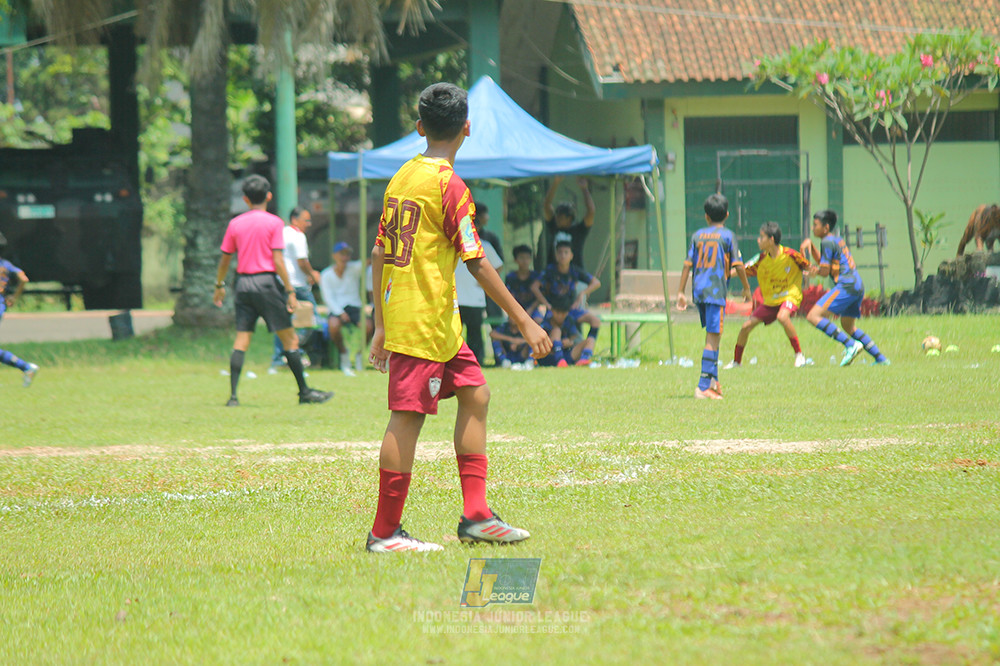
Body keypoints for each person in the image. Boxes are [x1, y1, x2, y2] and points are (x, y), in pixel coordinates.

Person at [366, 82, 551, 553]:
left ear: (418, 127)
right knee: (407, 418)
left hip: (433, 321)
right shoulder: (450, 186)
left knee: (476, 393)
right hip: (422, 322)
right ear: (467, 128)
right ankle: (384, 534)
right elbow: (478, 261)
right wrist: (525, 321)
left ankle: (476, 515)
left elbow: (379, 253)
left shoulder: (402, 176)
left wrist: (380, 322)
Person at [213, 175, 333, 406]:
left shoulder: (235, 224)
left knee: (241, 340)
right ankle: (304, 392)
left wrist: (219, 286)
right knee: (289, 340)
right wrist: (289, 290)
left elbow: (225, 260)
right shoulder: (275, 223)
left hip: (243, 284)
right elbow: (278, 260)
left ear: (245, 199)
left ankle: (233, 397)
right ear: (269, 196)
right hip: (267, 284)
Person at [675, 193, 751, 399]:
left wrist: (681, 292)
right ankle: (702, 386)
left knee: (714, 335)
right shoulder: (727, 236)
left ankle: (713, 381)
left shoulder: (697, 235)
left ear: (706, 216)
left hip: (699, 291)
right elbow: (738, 265)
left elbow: (687, 264)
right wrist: (746, 289)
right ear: (727, 215)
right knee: (713, 336)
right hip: (715, 292)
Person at [801, 209, 890, 366]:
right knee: (849, 326)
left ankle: (851, 345)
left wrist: (812, 272)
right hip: (857, 285)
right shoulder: (835, 240)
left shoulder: (827, 242)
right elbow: (824, 261)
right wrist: (811, 246)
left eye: (815, 225)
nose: (813, 228)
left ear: (826, 227)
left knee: (813, 316)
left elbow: (824, 271)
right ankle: (881, 359)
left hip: (846, 285)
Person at [724, 222, 811, 369]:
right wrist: (725, 275)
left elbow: (808, 266)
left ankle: (799, 356)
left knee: (783, 317)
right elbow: (743, 270)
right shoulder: (761, 259)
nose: (758, 240)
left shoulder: (790, 255)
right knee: (746, 327)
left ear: (771, 240)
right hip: (771, 301)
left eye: (761, 237)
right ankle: (736, 362)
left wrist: (812, 270)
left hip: (790, 296)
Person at [531, 239, 602, 365]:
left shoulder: (575, 270)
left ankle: (585, 357)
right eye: (560, 253)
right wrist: (546, 303)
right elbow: (534, 287)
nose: (563, 255)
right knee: (554, 330)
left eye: (566, 252)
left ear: (571, 255)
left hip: (570, 309)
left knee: (595, 321)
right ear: (556, 255)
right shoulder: (550, 271)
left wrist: (582, 293)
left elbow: (596, 283)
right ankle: (557, 358)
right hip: (555, 310)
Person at [270, 207, 321, 373]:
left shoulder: (282, 233)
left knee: (283, 321)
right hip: (297, 285)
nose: (309, 224)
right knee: (312, 319)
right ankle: (298, 353)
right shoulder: (298, 235)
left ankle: (280, 357)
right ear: (295, 220)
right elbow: (302, 261)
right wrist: (312, 273)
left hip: (282, 283)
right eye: (306, 220)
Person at [319, 241, 372, 376]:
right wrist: (339, 313)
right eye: (341, 254)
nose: (344, 258)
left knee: (369, 326)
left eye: (347, 254)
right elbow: (328, 298)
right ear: (334, 256)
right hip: (337, 308)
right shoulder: (326, 274)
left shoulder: (354, 268)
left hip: (354, 306)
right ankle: (344, 353)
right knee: (333, 326)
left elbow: (369, 261)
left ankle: (360, 354)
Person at [455, 237, 503, 365]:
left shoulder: (484, 244)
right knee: (452, 335)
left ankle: (476, 363)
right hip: (454, 297)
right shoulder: (451, 243)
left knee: (475, 334)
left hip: (474, 299)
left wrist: (486, 284)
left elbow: (498, 266)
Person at [0, 234, 38, 387]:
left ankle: (26, 367)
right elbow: (23, 278)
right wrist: (14, 296)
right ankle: (26, 367)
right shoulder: (6, 265)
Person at [539, 176, 595, 270]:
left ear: (570, 218)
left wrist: (584, 189)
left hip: (575, 273)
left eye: (561, 216)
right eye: (557, 215)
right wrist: (555, 183)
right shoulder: (554, 226)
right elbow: (546, 205)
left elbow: (591, 212)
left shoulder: (579, 230)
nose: (557, 218)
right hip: (554, 273)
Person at [504, 244, 541, 316]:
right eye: (521, 258)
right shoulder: (511, 277)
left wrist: (530, 309)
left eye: (527, 258)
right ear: (515, 260)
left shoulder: (536, 276)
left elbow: (540, 297)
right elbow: (509, 297)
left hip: (533, 309)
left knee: (538, 321)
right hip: (515, 309)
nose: (525, 261)